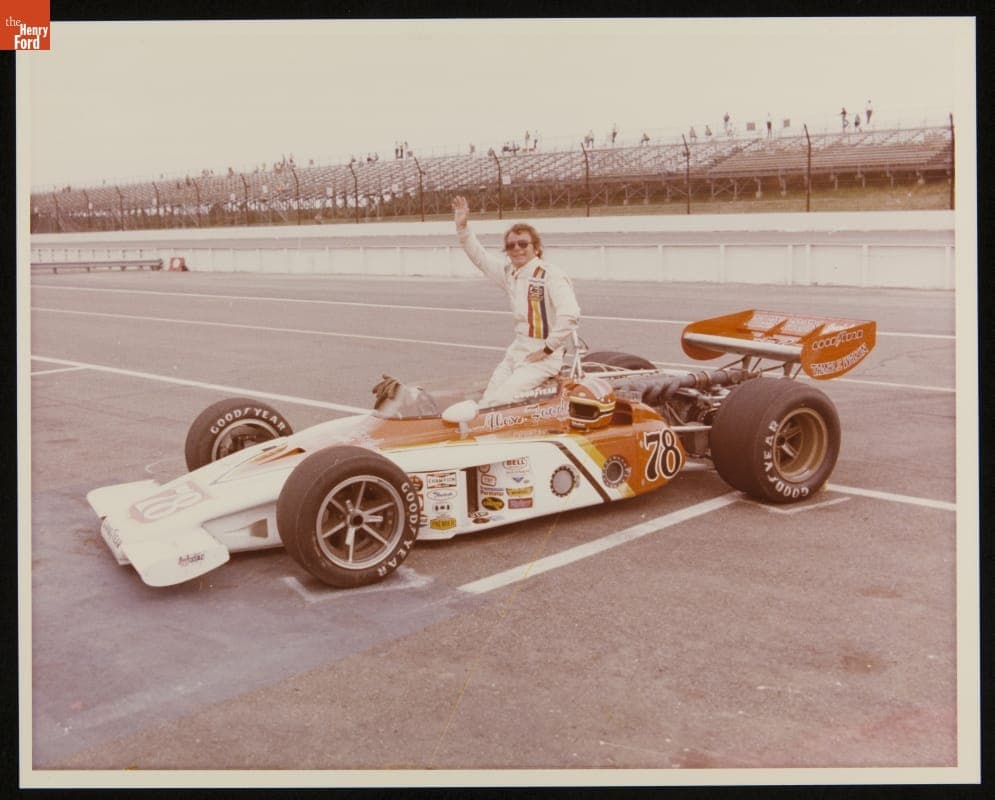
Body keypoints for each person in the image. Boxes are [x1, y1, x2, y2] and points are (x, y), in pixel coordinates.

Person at [452, 195, 580, 406]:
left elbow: (570, 315)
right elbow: (480, 258)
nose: (517, 248)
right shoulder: (510, 273)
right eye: (511, 245)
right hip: (517, 351)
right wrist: (462, 227)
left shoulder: (550, 275)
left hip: (544, 357)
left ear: (536, 248)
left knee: (499, 402)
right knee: (488, 399)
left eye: (523, 243)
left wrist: (547, 349)